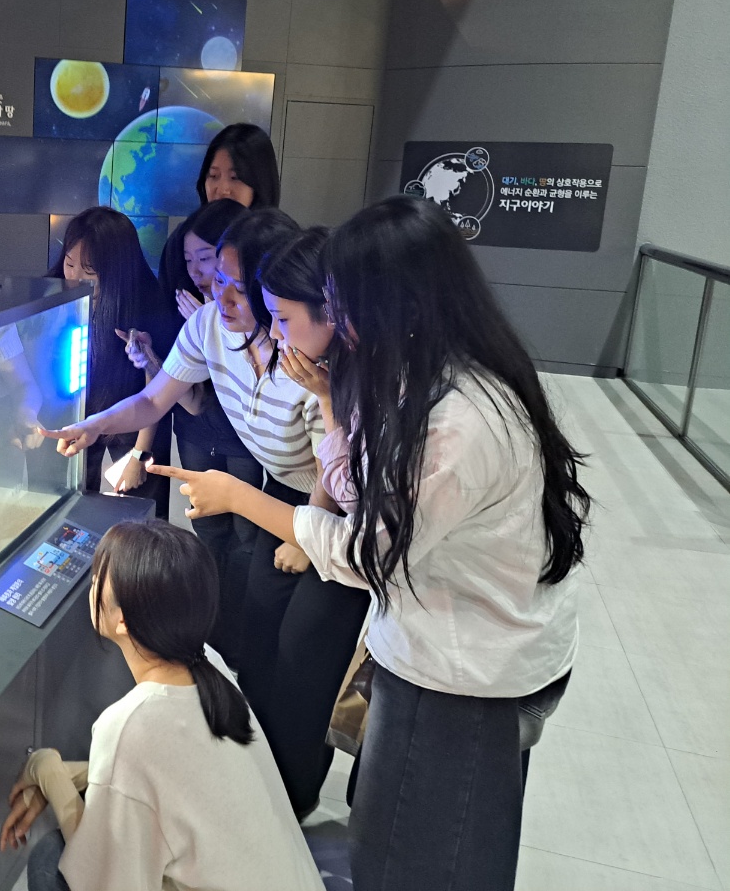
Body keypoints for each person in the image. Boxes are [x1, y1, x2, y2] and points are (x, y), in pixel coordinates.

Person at [157, 197, 588, 891]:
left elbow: (367, 553)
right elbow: (372, 494)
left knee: (419, 858)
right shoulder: (433, 374)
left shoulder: (459, 421)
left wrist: (240, 498)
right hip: (456, 647)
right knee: (421, 837)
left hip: (464, 674)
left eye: (342, 304)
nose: (337, 322)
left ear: (397, 304)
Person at [44, 211, 353, 817]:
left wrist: (304, 533)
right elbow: (154, 398)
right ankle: (255, 782)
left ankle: (291, 797)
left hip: (331, 503)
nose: (220, 295)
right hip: (279, 489)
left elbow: (335, 462)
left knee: (301, 654)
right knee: (256, 636)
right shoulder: (212, 326)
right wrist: (95, 426)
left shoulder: (310, 352)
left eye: (238, 285)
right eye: (217, 279)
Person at [0, 520, 325, 891]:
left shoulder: (131, 725)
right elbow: (164, 784)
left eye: (97, 580)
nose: (92, 586)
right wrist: (69, 775)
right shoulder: (211, 666)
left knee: (49, 861)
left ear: (123, 620)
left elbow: (102, 877)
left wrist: (46, 769)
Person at [133, 199, 258, 665]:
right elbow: (186, 398)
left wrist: (214, 321)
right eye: (189, 260)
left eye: (206, 259)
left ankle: (240, 639)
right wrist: (151, 359)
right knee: (208, 535)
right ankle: (213, 638)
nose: (198, 271)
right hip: (196, 432)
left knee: (246, 537)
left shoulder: (240, 312)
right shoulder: (189, 308)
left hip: (243, 441)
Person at [49, 207, 177, 518]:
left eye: (89, 271)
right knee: (72, 503)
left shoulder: (148, 304)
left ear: (116, 270)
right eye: (69, 264)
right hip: (80, 412)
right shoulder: (55, 293)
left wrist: (139, 454)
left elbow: (154, 391)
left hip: (134, 418)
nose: (75, 277)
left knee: (139, 510)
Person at [158, 122, 282, 288]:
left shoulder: (276, 247)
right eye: (214, 176)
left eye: (235, 178)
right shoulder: (184, 237)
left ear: (260, 183)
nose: (222, 190)